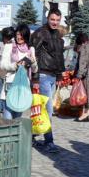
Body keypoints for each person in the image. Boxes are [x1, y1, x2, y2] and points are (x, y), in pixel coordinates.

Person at [30, 8, 65, 153]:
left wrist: (59, 75)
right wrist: (36, 78)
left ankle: (31, 136)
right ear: (47, 19)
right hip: (43, 75)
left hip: (52, 75)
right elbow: (34, 56)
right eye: (52, 19)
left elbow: (59, 56)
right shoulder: (40, 33)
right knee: (48, 110)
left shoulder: (57, 34)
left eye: (57, 20)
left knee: (42, 109)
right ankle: (49, 141)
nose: (55, 22)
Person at [0, 24, 37, 119]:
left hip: (23, 85)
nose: (18, 37)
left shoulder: (30, 49)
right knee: (8, 117)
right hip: (10, 83)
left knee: (17, 118)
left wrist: (33, 62)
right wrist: (15, 66)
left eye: (21, 35)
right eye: (17, 34)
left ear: (26, 36)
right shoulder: (9, 46)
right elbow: (2, 65)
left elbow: (35, 69)